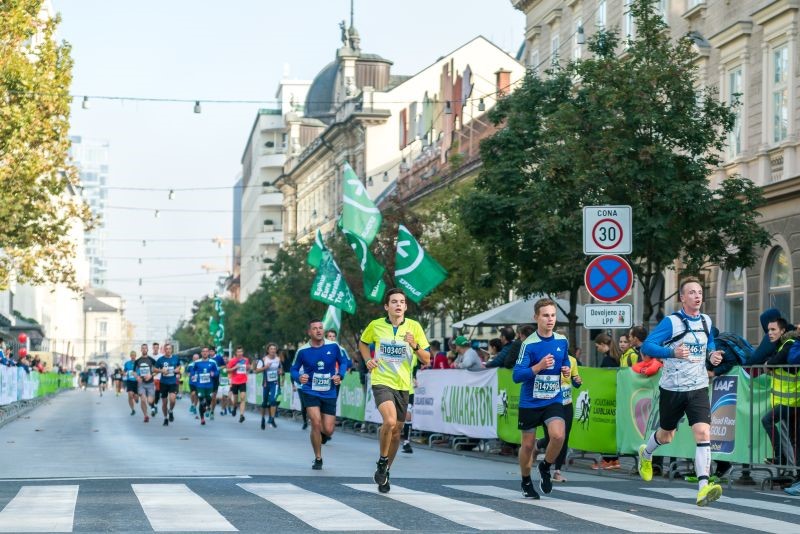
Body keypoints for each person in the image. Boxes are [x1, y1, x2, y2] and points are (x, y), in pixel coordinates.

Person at [639, 277, 724, 507]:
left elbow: (710, 343)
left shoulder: (706, 320)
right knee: (666, 435)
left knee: (703, 433)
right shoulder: (672, 322)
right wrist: (672, 353)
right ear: (682, 298)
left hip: (698, 387)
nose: (697, 296)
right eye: (692, 293)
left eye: (700, 292)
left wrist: (712, 355)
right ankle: (646, 453)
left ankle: (703, 487)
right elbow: (647, 346)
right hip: (672, 388)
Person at [359, 288, 430, 493]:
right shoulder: (376, 325)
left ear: (405, 307)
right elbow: (363, 343)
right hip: (381, 380)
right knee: (389, 422)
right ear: (386, 306)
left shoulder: (414, 327)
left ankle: (386, 471)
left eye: (401, 302)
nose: (398, 305)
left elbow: (426, 359)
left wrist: (414, 345)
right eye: (394, 301)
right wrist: (368, 360)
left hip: (403, 385)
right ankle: (382, 460)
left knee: (397, 432)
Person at [513, 298, 571, 499]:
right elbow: (517, 376)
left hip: (552, 398)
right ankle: (526, 481)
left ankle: (545, 466)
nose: (550, 319)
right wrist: (538, 367)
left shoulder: (562, 340)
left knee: (558, 436)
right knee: (528, 445)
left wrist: (566, 369)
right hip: (530, 401)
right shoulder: (529, 344)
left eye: (553, 315)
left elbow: (565, 362)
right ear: (536, 317)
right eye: (545, 315)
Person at [291, 320, 348, 470]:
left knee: (328, 430)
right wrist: (299, 377)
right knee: (315, 423)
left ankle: (321, 436)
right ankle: (318, 458)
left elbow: (343, 362)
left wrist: (340, 375)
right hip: (310, 390)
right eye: (315, 328)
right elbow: (294, 369)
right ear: (309, 332)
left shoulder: (333, 346)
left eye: (320, 328)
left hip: (329, 391)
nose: (318, 331)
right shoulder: (303, 351)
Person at [536, 345, 581, 482]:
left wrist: (577, 381)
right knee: (551, 437)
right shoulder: (546, 359)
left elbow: (575, 380)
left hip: (566, 403)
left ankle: (557, 471)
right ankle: (538, 447)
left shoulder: (572, 360)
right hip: (549, 403)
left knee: (564, 437)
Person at [762, 318, 798, 467]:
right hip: (786, 400)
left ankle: (780, 457)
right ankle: (793, 470)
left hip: (791, 400)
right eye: (768, 330)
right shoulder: (781, 345)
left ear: (782, 331)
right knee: (793, 438)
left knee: (767, 420)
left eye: (773, 330)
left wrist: (769, 364)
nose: (769, 333)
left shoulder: (789, 343)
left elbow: (774, 362)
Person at [594, 333, 621, 470]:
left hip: (608, 398)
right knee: (613, 430)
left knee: (606, 429)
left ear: (604, 345)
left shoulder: (607, 360)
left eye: (597, 346)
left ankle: (607, 459)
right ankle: (614, 459)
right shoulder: (618, 357)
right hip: (618, 398)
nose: (597, 349)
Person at [254, 343, 282, 429]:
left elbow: (280, 369)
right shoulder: (263, 360)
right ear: (268, 350)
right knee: (264, 403)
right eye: (271, 349)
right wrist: (265, 367)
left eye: (274, 349)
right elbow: (256, 371)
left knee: (273, 400)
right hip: (266, 383)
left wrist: (280, 372)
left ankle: (272, 418)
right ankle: (263, 418)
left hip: (274, 383)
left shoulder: (278, 359)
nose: (273, 350)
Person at [155, 343, 181, 426]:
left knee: (172, 399)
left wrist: (177, 369)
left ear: (171, 350)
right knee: (164, 402)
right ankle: (165, 418)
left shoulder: (175, 358)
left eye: (169, 349)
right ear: (164, 350)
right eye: (166, 349)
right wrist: (161, 371)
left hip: (173, 382)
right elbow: (154, 369)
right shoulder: (160, 359)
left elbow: (179, 366)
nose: (168, 350)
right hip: (163, 383)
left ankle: (170, 410)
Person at [191, 349, 218, 426]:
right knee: (201, 400)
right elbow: (193, 370)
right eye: (203, 351)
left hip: (209, 385)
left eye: (206, 351)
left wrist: (214, 374)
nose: (205, 353)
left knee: (209, 400)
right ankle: (202, 419)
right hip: (200, 385)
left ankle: (208, 406)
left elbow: (217, 371)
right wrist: (193, 375)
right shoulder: (197, 362)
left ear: (208, 353)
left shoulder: (213, 362)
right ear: (201, 353)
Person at [134, 344, 158, 423]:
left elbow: (157, 370)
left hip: (150, 383)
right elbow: (134, 372)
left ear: (147, 350)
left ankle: (153, 405)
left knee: (150, 401)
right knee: (143, 400)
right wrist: (137, 377)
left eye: (145, 348)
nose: (144, 349)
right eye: (143, 348)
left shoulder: (151, 360)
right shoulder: (138, 361)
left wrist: (151, 375)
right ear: (141, 350)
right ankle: (145, 416)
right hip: (142, 383)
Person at [227, 347, 249, 423]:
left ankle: (241, 415)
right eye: (238, 352)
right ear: (236, 353)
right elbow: (227, 370)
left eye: (241, 351)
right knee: (235, 399)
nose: (240, 353)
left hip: (243, 381)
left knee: (243, 398)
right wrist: (235, 368)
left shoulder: (246, 360)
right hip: (235, 382)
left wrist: (248, 367)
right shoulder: (232, 361)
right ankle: (234, 407)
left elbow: (247, 368)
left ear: (243, 352)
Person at [123, 351, 139, 416]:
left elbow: (140, 371)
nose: (133, 356)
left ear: (135, 356)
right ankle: (132, 410)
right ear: (130, 356)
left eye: (134, 355)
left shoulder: (138, 363)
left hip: (136, 381)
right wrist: (124, 373)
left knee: (136, 397)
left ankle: (136, 398)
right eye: (132, 355)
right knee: (130, 395)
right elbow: (124, 371)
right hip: (129, 381)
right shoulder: (127, 363)